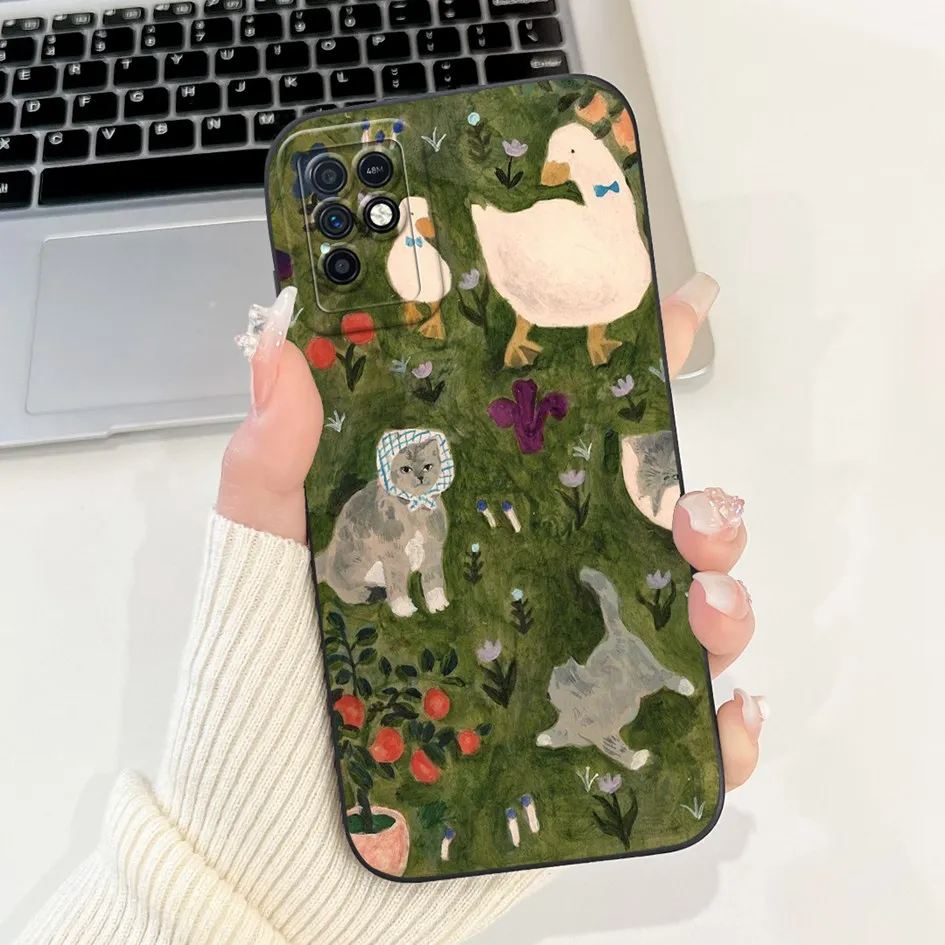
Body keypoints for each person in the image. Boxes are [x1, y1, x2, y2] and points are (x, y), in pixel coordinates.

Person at [16, 275, 766, 945]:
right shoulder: (379, 504)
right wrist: (252, 886)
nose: (421, 473)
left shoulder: (435, 503)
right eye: (412, 466)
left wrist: (235, 888)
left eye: (427, 465)